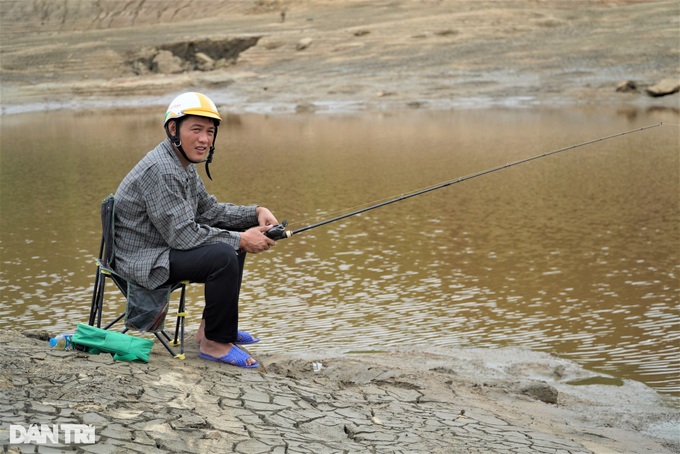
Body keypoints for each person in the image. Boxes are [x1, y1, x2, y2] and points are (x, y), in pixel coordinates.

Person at [113, 92, 277, 368]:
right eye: (196, 130)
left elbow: (210, 212)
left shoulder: (181, 164)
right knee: (224, 255)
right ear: (173, 129)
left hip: (160, 248)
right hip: (143, 260)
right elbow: (183, 236)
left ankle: (212, 329)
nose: (204, 139)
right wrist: (241, 239)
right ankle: (214, 344)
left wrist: (255, 212)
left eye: (210, 132)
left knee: (231, 240)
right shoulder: (162, 169)